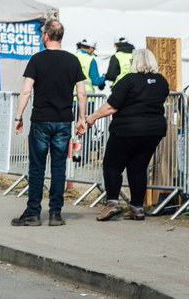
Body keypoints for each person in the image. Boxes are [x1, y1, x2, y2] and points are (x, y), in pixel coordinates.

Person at [11, 19, 87, 227]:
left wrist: (18, 118)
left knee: (37, 168)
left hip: (41, 120)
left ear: (46, 36)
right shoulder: (73, 61)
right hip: (63, 121)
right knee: (59, 168)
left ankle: (34, 213)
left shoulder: (37, 60)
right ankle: (55, 213)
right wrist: (82, 119)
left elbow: (26, 91)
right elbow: (81, 93)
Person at [83, 48, 170, 222]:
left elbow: (111, 106)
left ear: (134, 62)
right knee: (138, 167)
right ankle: (137, 207)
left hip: (127, 130)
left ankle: (112, 204)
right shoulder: (161, 81)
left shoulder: (128, 80)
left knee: (112, 164)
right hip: (153, 131)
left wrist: (91, 117)